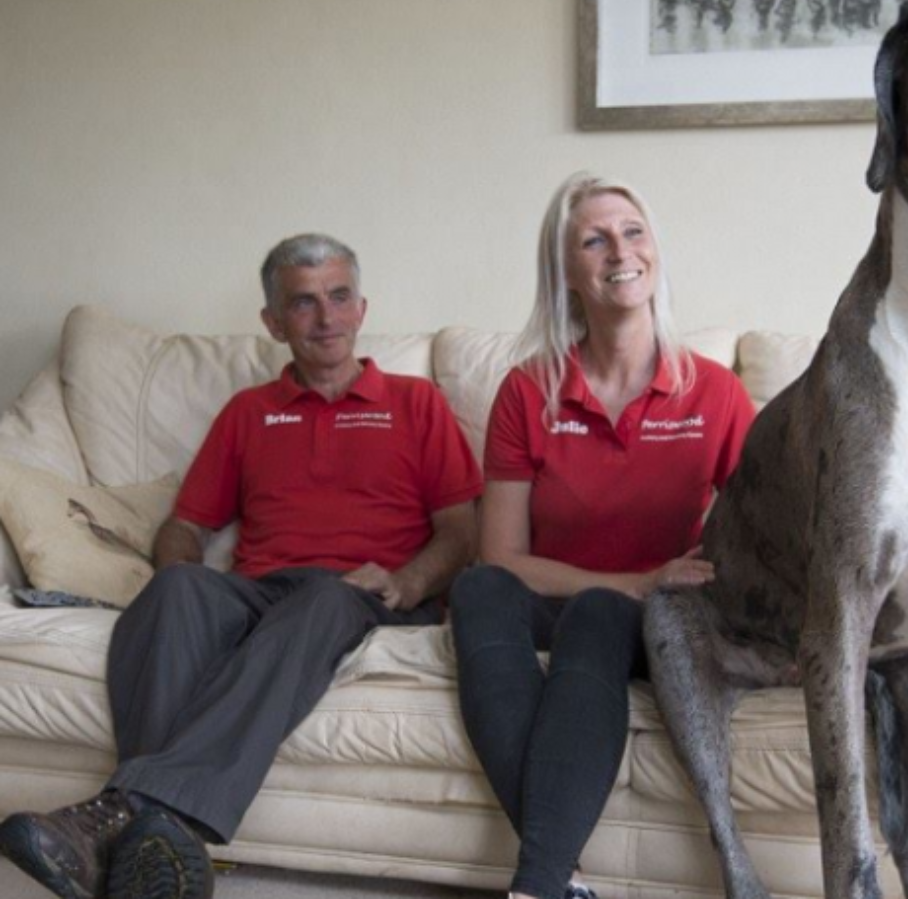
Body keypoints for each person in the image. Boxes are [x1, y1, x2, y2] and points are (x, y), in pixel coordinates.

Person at [0, 234, 483, 899]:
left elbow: (462, 530)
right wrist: (181, 572)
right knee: (175, 590)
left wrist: (407, 581)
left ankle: (119, 814)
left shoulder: (415, 402)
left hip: (369, 595)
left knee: (322, 600)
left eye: (339, 297)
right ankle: (161, 848)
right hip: (262, 592)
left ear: (362, 307)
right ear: (273, 322)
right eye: (304, 303)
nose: (326, 317)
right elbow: (184, 526)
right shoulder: (249, 413)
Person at [450, 172, 756, 899]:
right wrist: (632, 580)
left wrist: (655, 592)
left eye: (632, 231)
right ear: (567, 271)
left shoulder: (713, 390)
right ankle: (558, 884)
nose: (619, 250)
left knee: (598, 612)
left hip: (659, 622)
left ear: (654, 251)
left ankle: (539, 881)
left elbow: (760, 532)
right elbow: (502, 556)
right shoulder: (529, 390)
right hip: (568, 596)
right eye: (594, 239)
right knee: (477, 585)